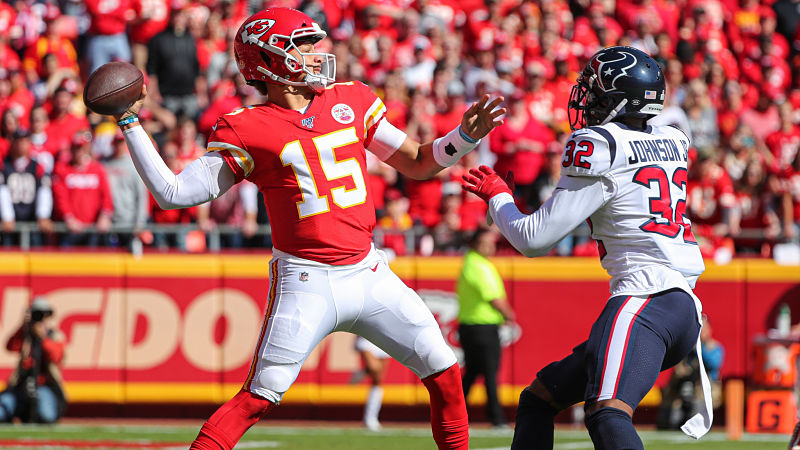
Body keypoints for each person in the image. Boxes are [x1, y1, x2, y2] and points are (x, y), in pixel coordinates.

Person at [111, 8, 505, 450]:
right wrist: (130, 123)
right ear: (270, 60)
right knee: (257, 399)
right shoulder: (248, 127)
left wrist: (462, 137)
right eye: (303, 46)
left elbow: (417, 161)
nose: (317, 53)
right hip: (306, 279)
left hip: (368, 270)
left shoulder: (351, 99)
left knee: (445, 372)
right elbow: (174, 193)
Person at [461, 46, 712, 449]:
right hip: (680, 306)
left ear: (619, 99)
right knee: (539, 399)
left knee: (607, 413)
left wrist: (497, 195)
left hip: (645, 296)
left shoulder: (600, 145)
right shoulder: (673, 138)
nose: (586, 102)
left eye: (595, 94)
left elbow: (532, 239)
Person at [456, 228, 515, 428]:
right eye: (485, 243)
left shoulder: (473, 263)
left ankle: (454, 412)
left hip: (472, 326)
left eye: (491, 243)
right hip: (482, 327)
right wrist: (509, 314)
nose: (490, 247)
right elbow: (493, 297)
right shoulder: (478, 265)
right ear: (475, 244)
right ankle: (496, 418)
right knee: (489, 373)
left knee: (472, 373)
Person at [0, 297, 67, 423]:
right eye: (37, 314)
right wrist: (23, 326)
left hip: (45, 386)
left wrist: (42, 337)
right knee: (2, 409)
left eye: (43, 315)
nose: (40, 319)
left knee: (46, 415)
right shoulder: (25, 336)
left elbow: (55, 356)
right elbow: (10, 346)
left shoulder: (55, 336)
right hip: (21, 386)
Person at [656, 314, 724, 430]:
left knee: (696, 418)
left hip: (702, 392)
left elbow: (713, 364)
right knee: (671, 419)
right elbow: (676, 370)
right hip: (681, 391)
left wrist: (698, 348)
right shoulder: (685, 348)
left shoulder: (714, 347)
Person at [353, 335, 391, 431]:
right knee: (374, 368)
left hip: (384, 338)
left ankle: (371, 418)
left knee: (378, 380)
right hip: (366, 338)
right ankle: (366, 371)